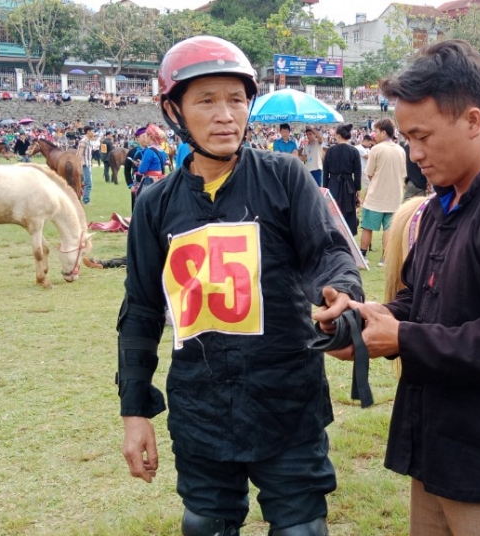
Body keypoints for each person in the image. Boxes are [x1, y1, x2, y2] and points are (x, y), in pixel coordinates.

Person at [117, 36, 363, 536]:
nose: (226, 115)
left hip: (287, 399)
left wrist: (340, 290)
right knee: (204, 525)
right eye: (206, 100)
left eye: (236, 99)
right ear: (173, 110)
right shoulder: (154, 205)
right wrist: (134, 411)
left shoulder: (285, 177)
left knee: (302, 530)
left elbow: (329, 252)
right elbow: (141, 311)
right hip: (200, 408)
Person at [328, 39, 480, 535]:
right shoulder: (444, 204)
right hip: (440, 448)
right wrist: (364, 316)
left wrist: (402, 339)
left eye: (422, 136)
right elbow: (417, 301)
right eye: (405, 137)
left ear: (473, 121)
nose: (413, 153)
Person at [359, 118, 406, 266]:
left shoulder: (376, 149)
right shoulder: (400, 150)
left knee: (367, 227)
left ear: (384, 132)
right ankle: (385, 258)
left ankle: (363, 256)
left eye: (377, 131)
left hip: (376, 197)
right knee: (389, 229)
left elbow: (370, 173)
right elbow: (403, 174)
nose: (374, 135)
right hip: (395, 196)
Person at [322, 123, 362, 235]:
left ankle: (334, 237)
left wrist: (325, 189)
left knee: (333, 213)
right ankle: (348, 240)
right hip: (349, 187)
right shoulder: (354, 151)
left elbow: (325, 173)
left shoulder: (330, 151)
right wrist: (358, 194)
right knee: (348, 215)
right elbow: (357, 175)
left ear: (338, 135)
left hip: (333, 185)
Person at [133, 125, 167, 198]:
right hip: (160, 181)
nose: (145, 138)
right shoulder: (162, 150)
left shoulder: (149, 151)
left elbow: (142, 170)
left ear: (150, 137)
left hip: (150, 181)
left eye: (146, 136)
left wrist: (140, 164)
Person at [76, 125, 96, 205]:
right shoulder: (83, 141)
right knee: (88, 184)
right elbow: (79, 154)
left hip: (88, 164)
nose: (93, 133)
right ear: (88, 132)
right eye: (92, 131)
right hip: (85, 165)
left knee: (85, 183)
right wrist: (80, 165)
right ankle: (86, 200)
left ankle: (81, 198)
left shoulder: (89, 141)